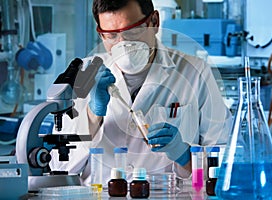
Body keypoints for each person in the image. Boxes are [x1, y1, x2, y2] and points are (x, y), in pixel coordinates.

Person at [50, 0, 232, 186]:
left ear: (154, 22)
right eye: (111, 36)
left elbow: (227, 163)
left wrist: (184, 156)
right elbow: (58, 167)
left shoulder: (195, 72)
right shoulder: (84, 74)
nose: (123, 45)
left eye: (132, 32)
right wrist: (92, 116)